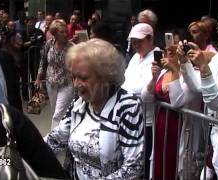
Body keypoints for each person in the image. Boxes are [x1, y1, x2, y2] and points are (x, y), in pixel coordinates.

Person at [44, 38, 145, 179]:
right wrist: (14, 154)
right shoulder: (79, 103)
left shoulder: (127, 106)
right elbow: (54, 140)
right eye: (73, 77)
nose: (76, 84)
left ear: (105, 77)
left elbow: (134, 168)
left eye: (84, 78)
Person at [176, 11, 218, 179]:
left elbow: (216, 103)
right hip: (214, 136)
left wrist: (204, 67)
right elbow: (199, 86)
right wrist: (184, 62)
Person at [122, 23, 160, 179]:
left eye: (139, 41)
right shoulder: (135, 57)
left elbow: (144, 91)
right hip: (130, 117)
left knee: (144, 160)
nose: (135, 45)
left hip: (147, 120)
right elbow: (125, 81)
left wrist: (130, 90)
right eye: (133, 42)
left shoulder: (158, 57)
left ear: (150, 39)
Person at [141, 47, 182, 180]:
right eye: (167, 48)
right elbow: (146, 97)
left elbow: (176, 102)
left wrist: (175, 70)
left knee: (174, 163)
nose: (170, 50)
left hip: (179, 126)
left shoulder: (187, 73)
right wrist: (154, 78)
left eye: (174, 47)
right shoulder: (163, 72)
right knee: (159, 161)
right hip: (160, 124)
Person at [35, 19, 74, 129]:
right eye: (62, 32)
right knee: (55, 113)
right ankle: (64, 134)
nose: (65, 34)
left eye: (66, 31)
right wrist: (38, 78)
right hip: (51, 83)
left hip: (66, 84)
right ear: (55, 33)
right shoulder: (49, 44)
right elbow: (42, 61)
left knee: (58, 115)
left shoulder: (71, 46)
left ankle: (53, 140)